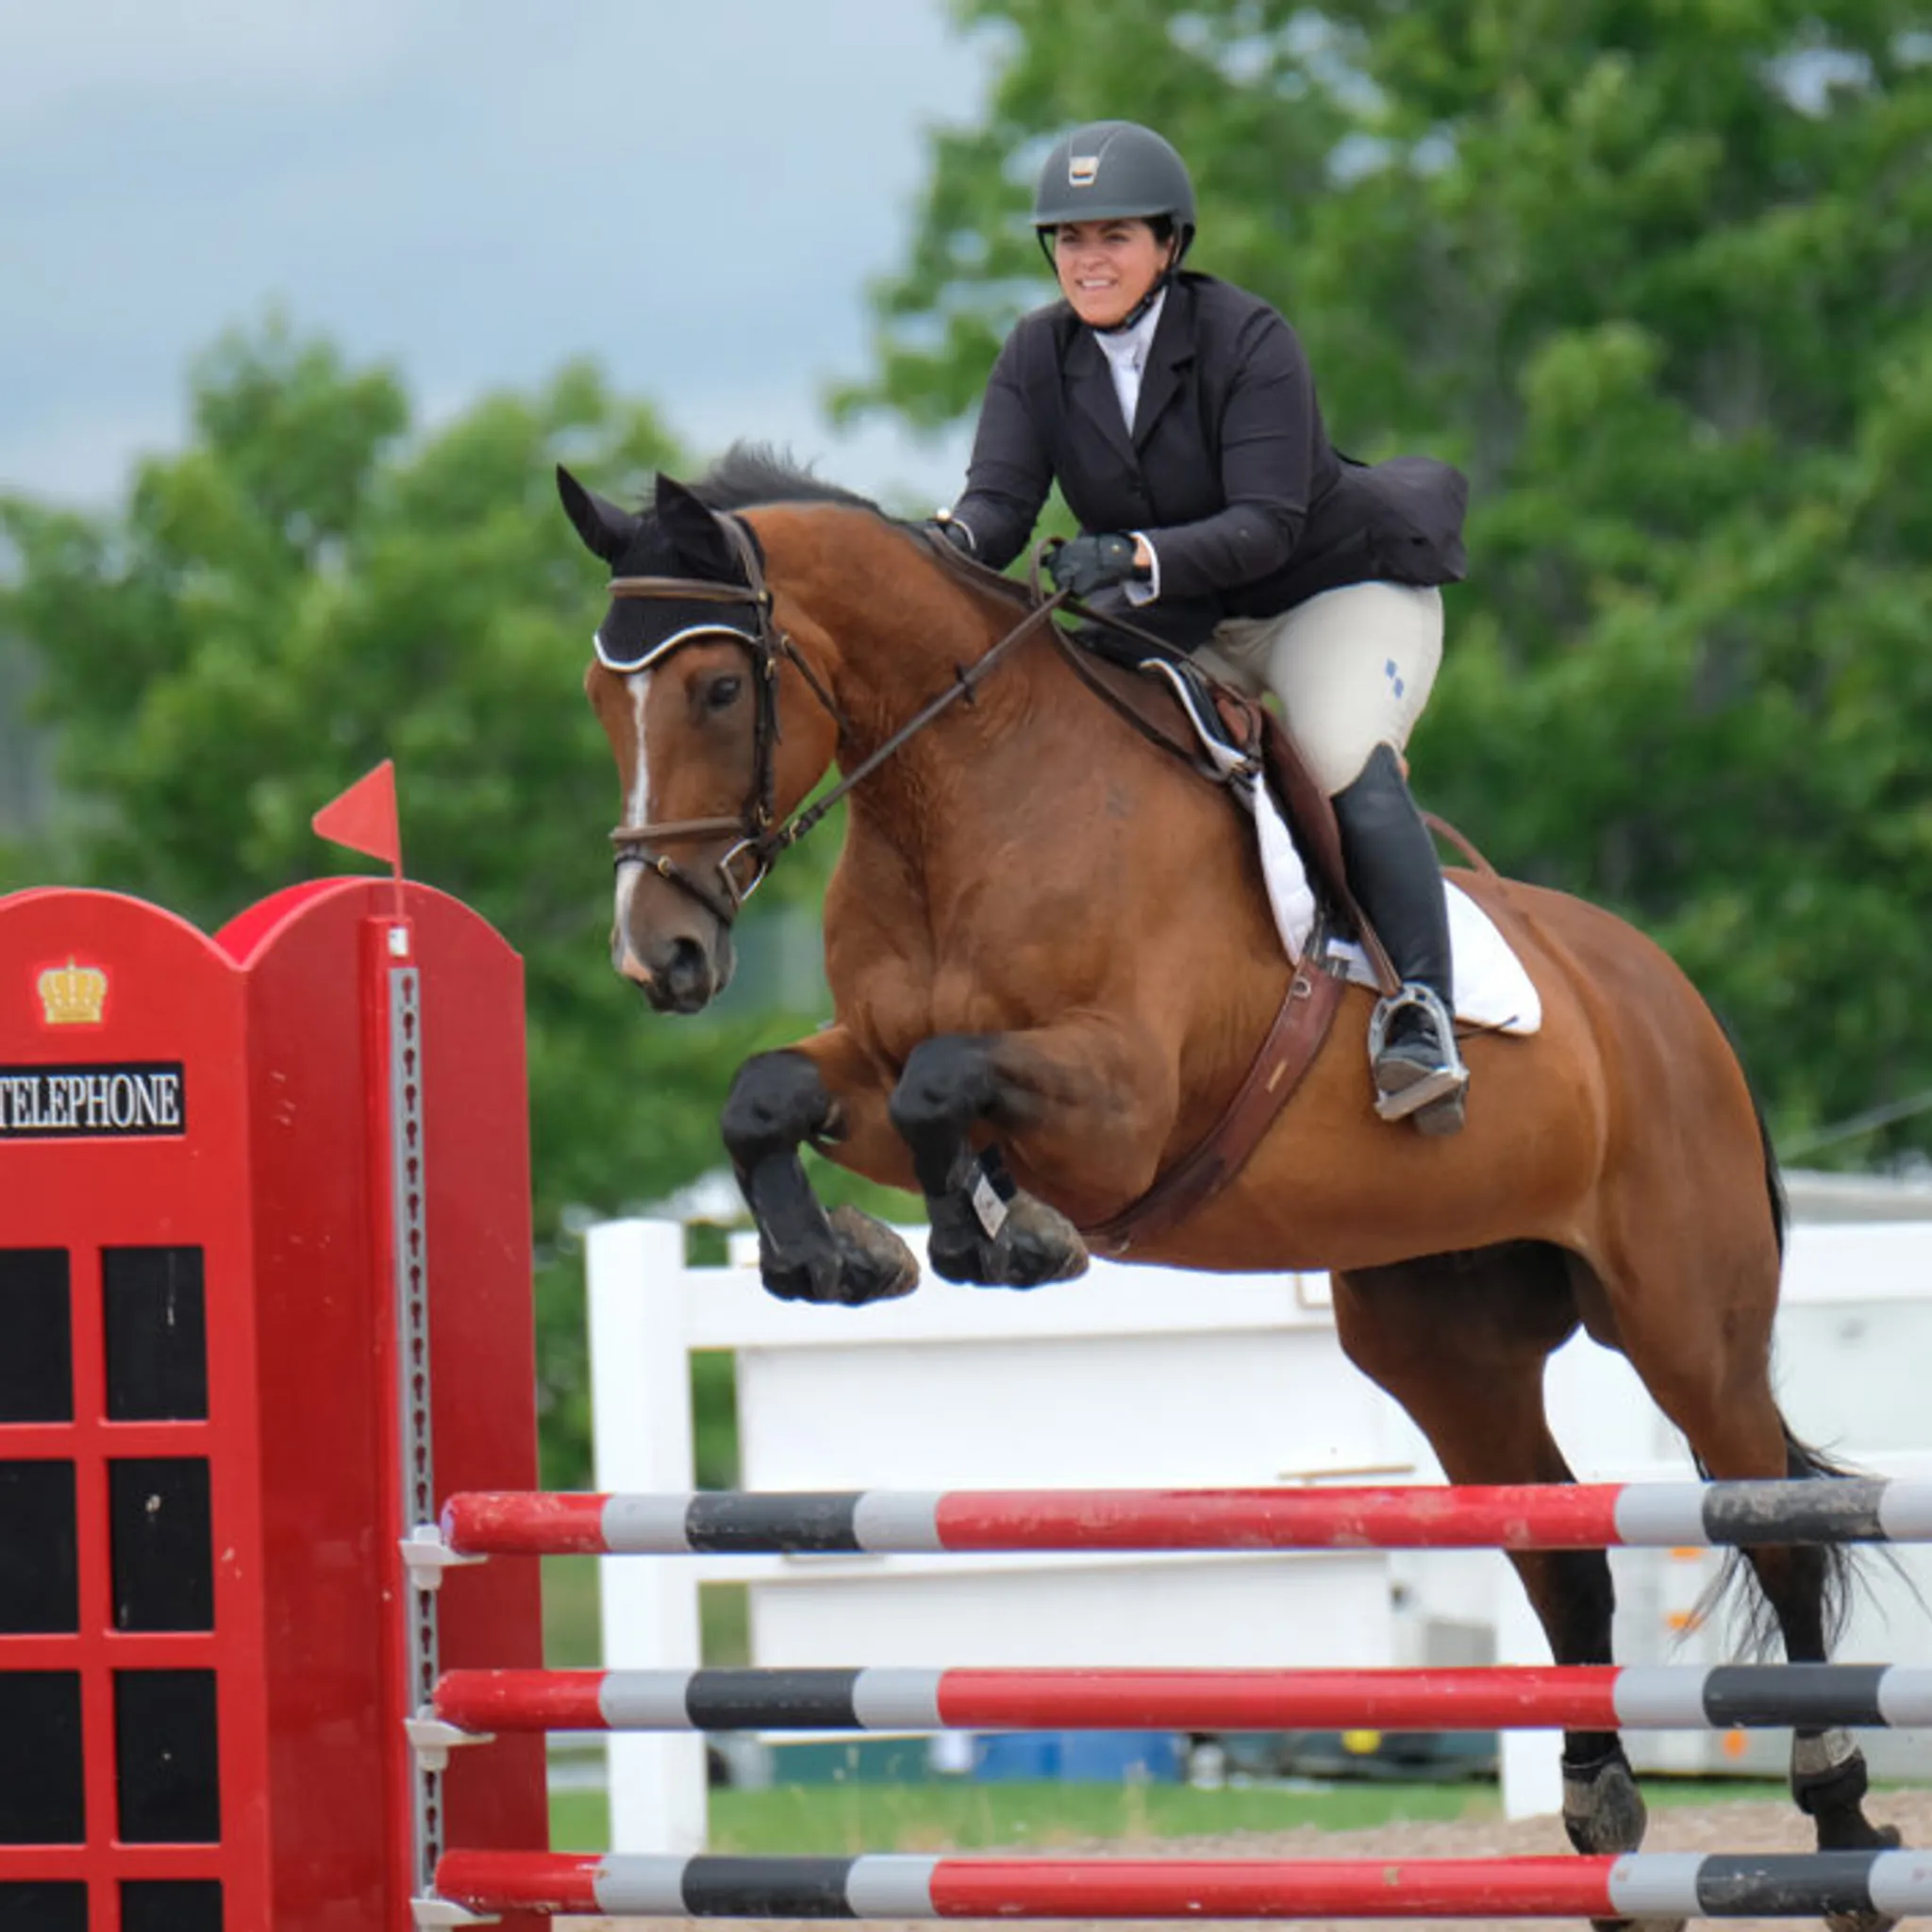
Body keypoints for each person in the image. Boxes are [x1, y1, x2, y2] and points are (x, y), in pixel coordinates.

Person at [931, 119, 1474, 1135]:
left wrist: (1132, 556)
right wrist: (932, 546)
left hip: (1327, 593)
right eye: (1068, 240)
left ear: (1167, 245)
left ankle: (1419, 1012)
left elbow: (1267, 524)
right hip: (1183, 614)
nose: (1086, 261)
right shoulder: (1035, 355)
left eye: (1112, 237)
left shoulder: (1246, 339)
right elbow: (997, 510)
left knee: (1336, 763)